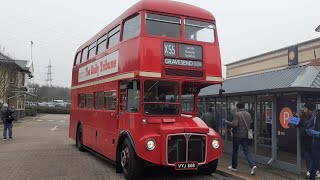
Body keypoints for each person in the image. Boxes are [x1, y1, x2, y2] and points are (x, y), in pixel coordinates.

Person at [225, 102, 257, 175]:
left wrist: (227, 122)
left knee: (235, 151)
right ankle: (252, 165)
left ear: (238, 107)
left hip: (237, 136)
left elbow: (235, 124)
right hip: (245, 136)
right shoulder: (248, 114)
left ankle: (234, 167)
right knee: (247, 151)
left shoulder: (237, 114)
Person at [298, 103, 320, 179]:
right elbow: (303, 126)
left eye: (305, 108)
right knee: (310, 156)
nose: (303, 109)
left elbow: (306, 127)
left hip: (311, 140)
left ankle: (312, 172)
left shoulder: (312, 116)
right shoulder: (308, 117)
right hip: (308, 139)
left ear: (309, 109)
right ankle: (312, 172)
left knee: (311, 157)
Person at [305, 108, 320, 180]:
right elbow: (308, 129)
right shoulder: (316, 117)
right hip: (317, 144)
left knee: (314, 163)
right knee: (315, 163)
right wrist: (319, 134)